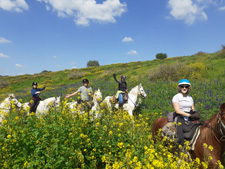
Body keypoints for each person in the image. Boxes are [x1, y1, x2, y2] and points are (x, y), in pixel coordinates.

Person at [172, 79, 201, 147]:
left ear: (188, 88)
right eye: (182, 86)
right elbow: (177, 110)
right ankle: (179, 149)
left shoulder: (190, 98)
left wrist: (195, 113)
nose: (184, 88)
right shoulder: (176, 97)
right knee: (180, 134)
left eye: (186, 86)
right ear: (179, 87)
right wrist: (189, 115)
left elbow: (192, 108)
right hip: (180, 116)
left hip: (189, 115)